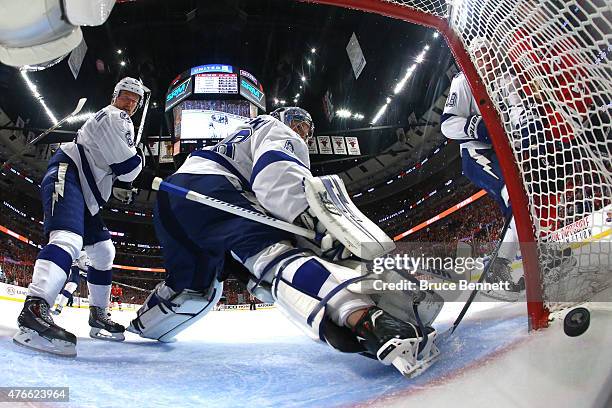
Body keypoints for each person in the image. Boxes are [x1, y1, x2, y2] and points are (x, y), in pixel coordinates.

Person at [127, 107, 440, 377]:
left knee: (191, 289)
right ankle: (371, 321)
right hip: (212, 189)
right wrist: (311, 220)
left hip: (172, 199)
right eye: (298, 123)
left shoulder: (241, 135)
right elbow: (275, 173)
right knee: (273, 257)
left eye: (306, 128)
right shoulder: (274, 127)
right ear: (283, 118)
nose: (301, 131)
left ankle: (143, 324)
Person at [13, 77, 147, 357]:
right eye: (125, 96)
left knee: (103, 251)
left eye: (135, 100)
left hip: (87, 192)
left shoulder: (120, 119)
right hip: (70, 173)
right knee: (68, 239)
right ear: (115, 96)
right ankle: (34, 310)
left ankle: (98, 315)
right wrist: (139, 156)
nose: (130, 103)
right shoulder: (115, 116)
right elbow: (128, 169)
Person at [441, 38, 525, 295]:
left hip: (505, 153)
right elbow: (448, 124)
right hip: (477, 154)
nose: (484, 59)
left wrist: (523, 126)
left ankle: (536, 253)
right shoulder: (462, 81)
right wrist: (478, 127)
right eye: (479, 53)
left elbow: (517, 112)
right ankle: (498, 266)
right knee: (516, 198)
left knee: (522, 207)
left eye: (488, 52)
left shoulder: (506, 78)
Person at [51, 251, 88, 315]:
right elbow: (70, 257)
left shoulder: (101, 255)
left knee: (99, 288)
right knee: (71, 286)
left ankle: (103, 310)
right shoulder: (83, 253)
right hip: (78, 270)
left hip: (90, 273)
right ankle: (59, 308)